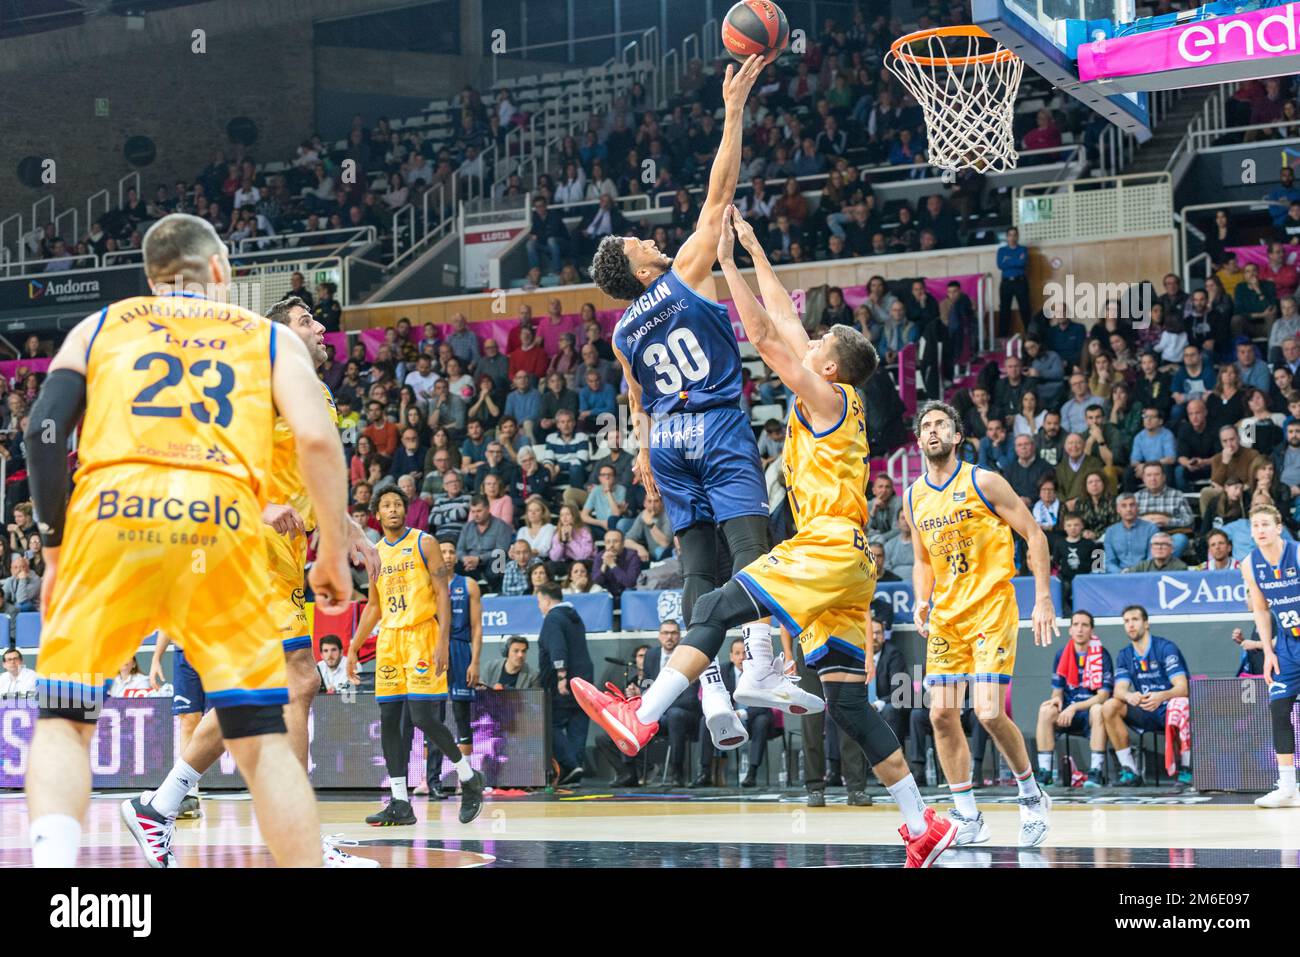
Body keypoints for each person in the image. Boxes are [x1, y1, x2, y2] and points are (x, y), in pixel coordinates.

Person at [575, 206, 955, 867]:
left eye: (819, 346)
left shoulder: (824, 396)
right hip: (846, 563)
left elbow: (763, 332)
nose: (808, 344)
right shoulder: (833, 392)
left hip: (828, 546)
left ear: (830, 368)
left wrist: (724, 267)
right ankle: (922, 823)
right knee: (846, 702)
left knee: (716, 604)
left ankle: (645, 712)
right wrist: (751, 246)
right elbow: (784, 318)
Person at [35, 214, 349, 869]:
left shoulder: (100, 325)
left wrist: (53, 550)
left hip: (112, 520)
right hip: (222, 529)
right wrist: (336, 546)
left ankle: (55, 872)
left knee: (65, 717)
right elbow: (320, 441)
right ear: (218, 272)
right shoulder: (264, 337)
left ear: (149, 276)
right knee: (263, 733)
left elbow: (41, 429)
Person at [124, 295, 381, 865]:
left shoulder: (316, 391)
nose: (319, 327)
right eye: (305, 320)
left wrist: (351, 529)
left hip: (284, 552)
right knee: (300, 681)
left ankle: (158, 806)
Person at [587, 54, 795, 751]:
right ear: (639, 265)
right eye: (635, 240)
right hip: (714, 424)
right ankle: (756, 667)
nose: (647, 236)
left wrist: (646, 454)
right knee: (753, 556)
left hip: (669, 441)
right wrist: (734, 111)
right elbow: (720, 193)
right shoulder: (678, 275)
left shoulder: (620, 331)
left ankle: (707, 687)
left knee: (702, 574)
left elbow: (637, 399)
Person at [907, 399, 1058, 848]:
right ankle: (968, 815)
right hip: (948, 618)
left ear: (956, 437)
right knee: (940, 713)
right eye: (926, 426)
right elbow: (920, 558)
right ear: (919, 441)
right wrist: (921, 599)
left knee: (990, 712)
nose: (932, 430)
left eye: (941, 424)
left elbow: (1034, 534)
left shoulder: (983, 480)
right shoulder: (914, 495)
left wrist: (1044, 597)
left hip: (992, 609)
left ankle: (1032, 797)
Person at [347, 488, 485, 825]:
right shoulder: (374, 552)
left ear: (406, 510)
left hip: (422, 635)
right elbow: (374, 607)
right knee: (391, 720)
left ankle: (468, 777)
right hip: (390, 641)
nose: (393, 510)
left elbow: (442, 592)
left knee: (423, 716)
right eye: (386, 506)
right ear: (377, 515)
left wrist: (442, 641)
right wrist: (353, 647)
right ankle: (399, 801)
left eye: (397, 504)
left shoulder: (424, 542)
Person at [1239, 503, 1300, 806]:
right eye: (1255, 526)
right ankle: (1288, 787)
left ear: (1279, 527)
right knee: (1279, 710)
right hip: (1287, 645)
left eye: (1265, 524)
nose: (1260, 530)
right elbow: (1261, 609)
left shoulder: (1298, 553)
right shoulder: (1249, 564)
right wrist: (1268, 650)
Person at [1095, 605, 1192, 786]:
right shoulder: (1125, 654)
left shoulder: (1165, 648)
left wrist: (1161, 696)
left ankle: (1186, 768)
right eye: (1126, 621)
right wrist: (1129, 696)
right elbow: (1119, 689)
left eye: (1135, 620)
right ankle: (1130, 771)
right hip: (1145, 710)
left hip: (1167, 708)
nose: (1130, 625)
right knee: (1109, 706)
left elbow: (1183, 687)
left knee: (1180, 703)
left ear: (1146, 623)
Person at [1034, 610, 1113, 788]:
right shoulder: (1061, 654)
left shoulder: (1102, 654)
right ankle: (1045, 773)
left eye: (1084, 625)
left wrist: (1074, 707)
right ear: (1070, 630)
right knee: (1045, 710)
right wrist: (1056, 700)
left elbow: (1103, 696)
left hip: (1089, 713)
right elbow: (1057, 691)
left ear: (1091, 630)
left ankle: (1096, 772)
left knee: (1099, 709)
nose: (1079, 629)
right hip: (1066, 714)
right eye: (1076, 625)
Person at [693, 637, 774, 788]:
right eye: (737, 653)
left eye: (745, 653)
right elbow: (712, 696)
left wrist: (741, 714)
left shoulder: (760, 673)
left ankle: (752, 774)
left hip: (751, 719)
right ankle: (704, 772)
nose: (741, 657)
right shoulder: (722, 671)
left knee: (762, 720)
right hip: (727, 718)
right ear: (731, 656)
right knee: (705, 721)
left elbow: (766, 703)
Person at [536, 583, 594, 785]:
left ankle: (570, 765)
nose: (540, 607)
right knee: (578, 725)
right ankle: (575, 771)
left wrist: (562, 677)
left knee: (548, 723)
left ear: (547, 600)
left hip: (565, 683)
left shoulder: (553, 618)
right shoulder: (575, 618)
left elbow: (558, 648)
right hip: (584, 681)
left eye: (539, 602)